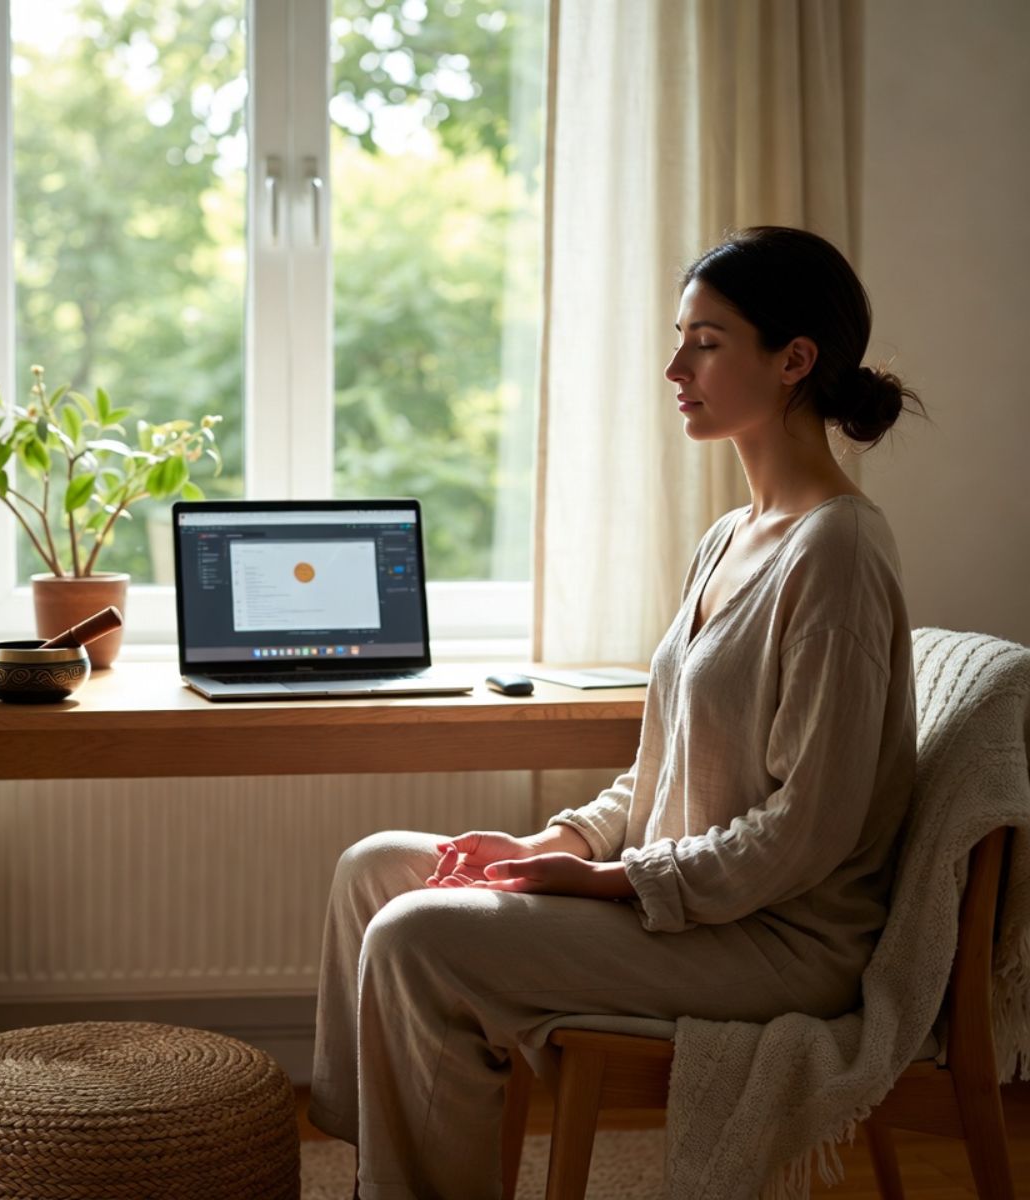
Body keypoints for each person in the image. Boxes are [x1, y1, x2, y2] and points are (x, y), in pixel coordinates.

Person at [308, 226, 922, 1200]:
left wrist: (603, 885)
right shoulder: (731, 536)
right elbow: (660, 770)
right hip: (680, 900)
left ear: (794, 359)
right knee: (374, 871)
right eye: (680, 336)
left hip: (776, 940)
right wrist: (553, 839)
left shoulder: (836, 552)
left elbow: (808, 832)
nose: (675, 365)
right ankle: (378, 1173)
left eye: (708, 342)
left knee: (416, 936)